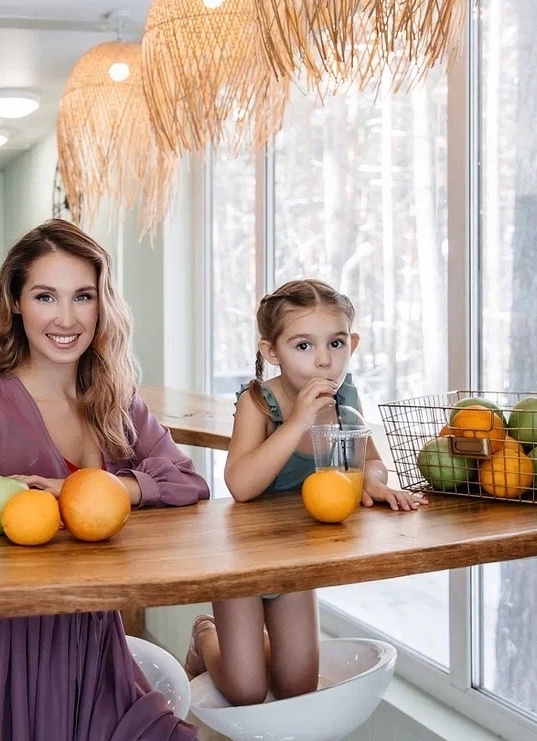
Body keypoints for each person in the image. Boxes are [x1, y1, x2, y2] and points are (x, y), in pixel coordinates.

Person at [0, 219, 222, 741]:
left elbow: (187, 481)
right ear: (15, 303)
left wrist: (95, 487)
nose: (66, 318)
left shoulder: (117, 404)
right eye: (45, 296)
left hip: (94, 649)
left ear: (102, 305)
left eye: (83, 296)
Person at [183, 278, 427, 707]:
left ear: (352, 344)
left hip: (295, 558)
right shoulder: (259, 402)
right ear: (271, 351)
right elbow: (240, 485)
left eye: (336, 343)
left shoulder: (345, 398)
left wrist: (370, 480)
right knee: (246, 689)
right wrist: (297, 421)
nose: (323, 360)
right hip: (242, 560)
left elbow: (370, 459)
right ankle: (206, 634)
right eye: (303, 346)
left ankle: (248, 649)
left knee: (296, 686)